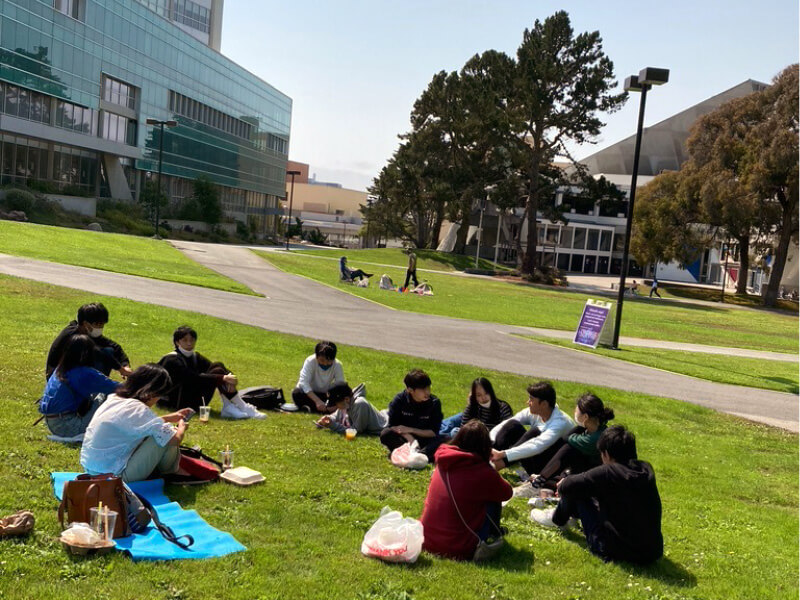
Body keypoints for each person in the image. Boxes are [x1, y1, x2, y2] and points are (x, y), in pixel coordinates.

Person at [530, 425, 663, 565]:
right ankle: (571, 516)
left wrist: (565, 482)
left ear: (606, 454)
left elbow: (566, 487)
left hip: (612, 550)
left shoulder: (608, 472)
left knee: (576, 489)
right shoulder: (645, 469)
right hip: (652, 553)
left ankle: (557, 520)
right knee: (588, 490)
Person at [80, 364, 193, 483]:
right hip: (115, 477)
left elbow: (137, 424)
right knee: (165, 436)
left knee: (160, 433)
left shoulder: (115, 399)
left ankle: (168, 470)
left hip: (91, 469)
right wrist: (181, 427)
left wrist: (168, 418)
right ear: (151, 393)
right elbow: (175, 440)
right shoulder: (138, 409)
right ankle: (171, 473)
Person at [420, 420, 513, 561]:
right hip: (458, 547)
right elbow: (507, 493)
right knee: (493, 497)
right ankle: (493, 534)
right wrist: (491, 467)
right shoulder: (482, 472)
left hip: (426, 539)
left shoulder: (444, 459)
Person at [158, 325, 264, 419]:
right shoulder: (172, 359)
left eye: (192, 340)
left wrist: (230, 378)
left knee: (218, 366)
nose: (189, 343)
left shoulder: (195, 356)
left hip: (191, 398)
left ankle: (230, 405)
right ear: (177, 342)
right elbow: (191, 378)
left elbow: (214, 368)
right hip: (175, 402)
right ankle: (238, 406)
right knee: (218, 375)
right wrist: (222, 378)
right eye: (185, 340)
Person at [39, 335, 121, 438]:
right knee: (106, 394)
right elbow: (118, 388)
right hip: (68, 426)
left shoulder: (60, 368)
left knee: (98, 392)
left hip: (52, 422)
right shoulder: (84, 373)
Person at [530, 393, 614, 490]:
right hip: (587, 472)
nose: (574, 412)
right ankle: (545, 477)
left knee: (569, 448)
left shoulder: (593, 439)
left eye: (576, 410)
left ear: (585, 417)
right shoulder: (596, 429)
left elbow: (567, 438)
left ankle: (542, 478)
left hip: (596, 480)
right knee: (575, 434)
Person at [489, 381, 573, 475]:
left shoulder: (560, 422)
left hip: (552, 467)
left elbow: (537, 446)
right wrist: (490, 443)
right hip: (536, 457)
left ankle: (494, 466)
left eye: (531, 399)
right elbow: (506, 424)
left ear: (544, 404)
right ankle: (486, 459)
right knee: (513, 425)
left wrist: (503, 454)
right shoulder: (534, 412)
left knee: (534, 433)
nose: (528, 402)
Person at [46, 302, 132, 380]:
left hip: (71, 374)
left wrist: (125, 365)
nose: (100, 327)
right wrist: (120, 369)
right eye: (97, 324)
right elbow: (102, 354)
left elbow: (114, 347)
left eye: (102, 324)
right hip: (61, 377)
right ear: (85, 324)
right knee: (104, 353)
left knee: (108, 350)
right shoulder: (73, 337)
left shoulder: (87, 333)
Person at [380, 369, 443, 461]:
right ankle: (418, 455)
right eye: (422, 389)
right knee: (386, 434)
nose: (427, 392)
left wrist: (412, 430)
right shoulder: (399, 400)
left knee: (446, 439)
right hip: (405, 439)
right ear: (410, 390)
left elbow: (433, 432)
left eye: (428, 388)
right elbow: (393, 426)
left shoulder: (434, 403)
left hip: (425, 439)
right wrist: (410, 438)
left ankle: (418, 454)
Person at [439, 377, 513, 439]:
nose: (483, 398)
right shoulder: (472, 407)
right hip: (474, 439)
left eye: (486, 393)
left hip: (492, 439)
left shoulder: (502, 407)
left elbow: (508, 429)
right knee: (455, 431)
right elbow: (464, 427)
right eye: (479, 395)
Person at [292, 341, 346, 413]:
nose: (325, 363)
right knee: (296, 393)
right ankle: (324, 409)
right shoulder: (310, 361)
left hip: (323, 394)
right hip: (309, 393)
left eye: (329, 361)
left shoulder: (337, 365)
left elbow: (340, 386)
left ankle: (320, 408)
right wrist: (317, 401)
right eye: (322, 360)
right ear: (316, 356)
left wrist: (336, 403)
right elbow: (303, 382)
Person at [314, 383, 387, 435]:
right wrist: (327, 419)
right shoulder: (346, 403)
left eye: (336, 403)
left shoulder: (360, 404)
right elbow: (336, 416)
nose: (335, 407)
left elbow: (356, 431)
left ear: (346, 399)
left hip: (389, 423)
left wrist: (332, 425)